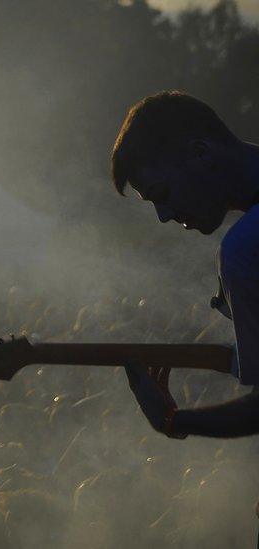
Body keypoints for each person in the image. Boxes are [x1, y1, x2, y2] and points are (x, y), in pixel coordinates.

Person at [110, 90, 259, 439]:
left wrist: (172, 421)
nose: (163, 216)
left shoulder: (244, 250)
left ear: (200, 153)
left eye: (160, 194)